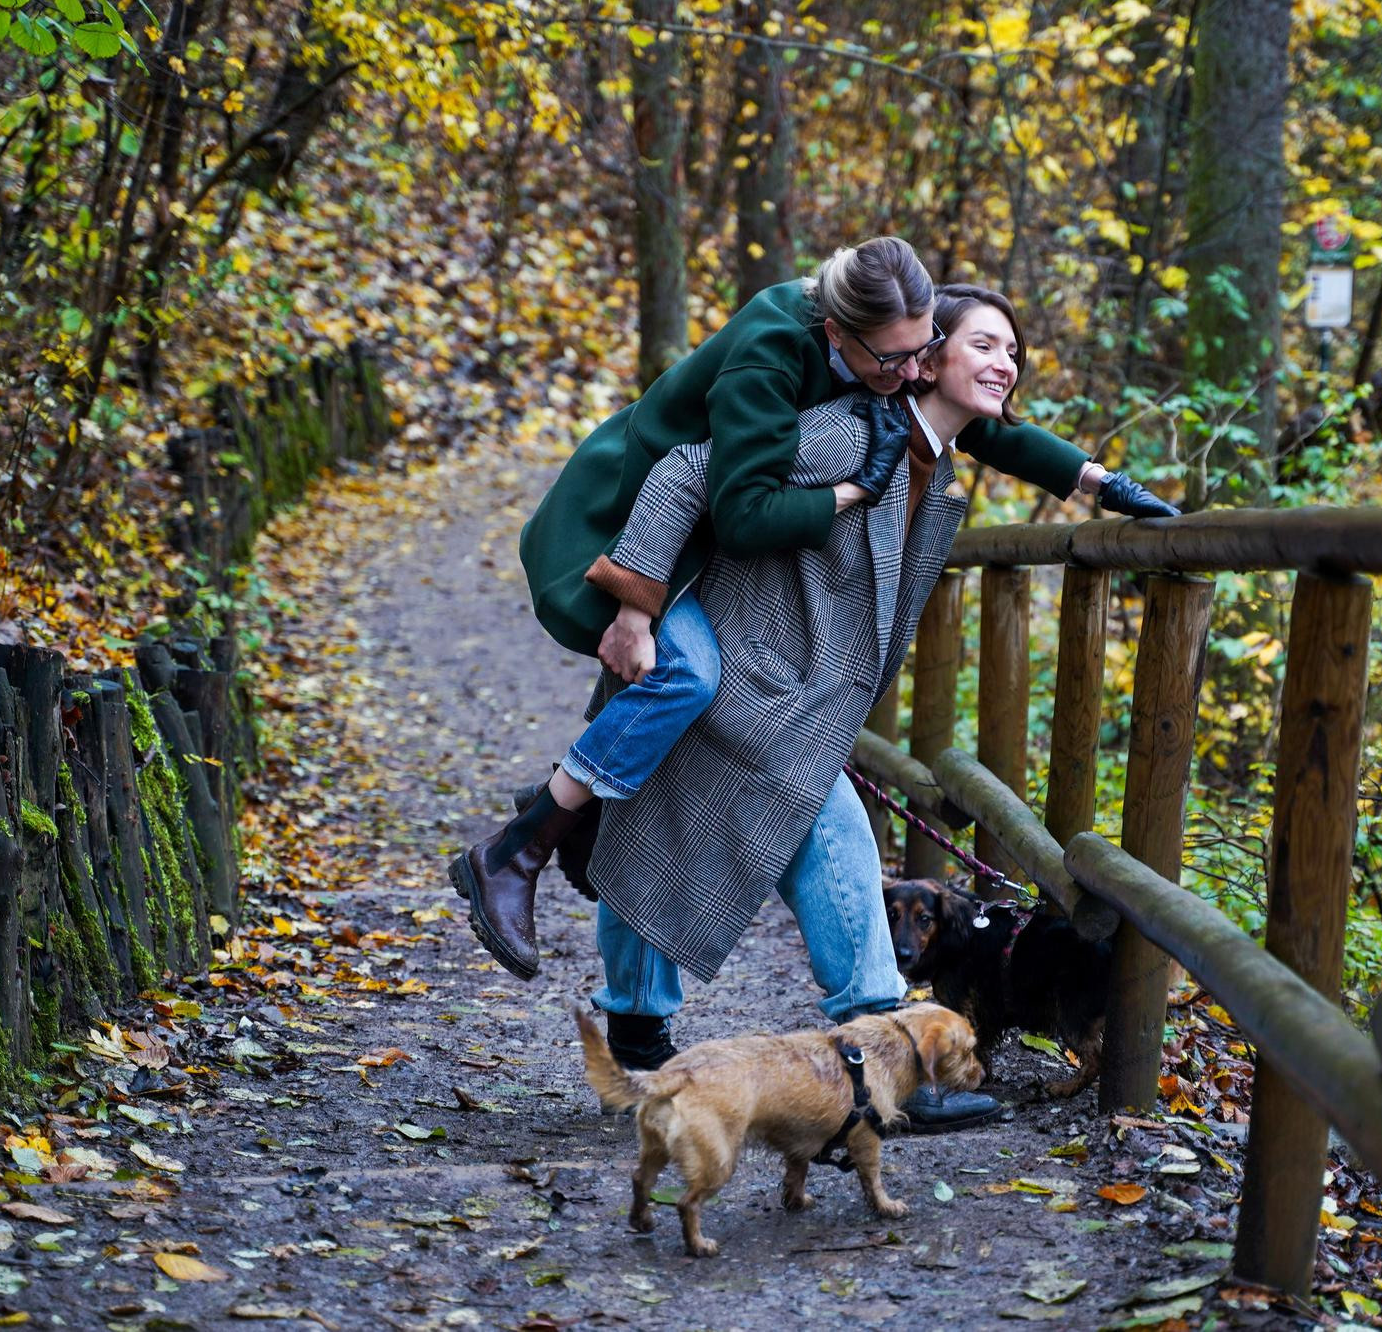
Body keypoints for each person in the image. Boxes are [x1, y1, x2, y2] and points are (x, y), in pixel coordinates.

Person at [453, 240, 1178, 985]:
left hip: (716, 562)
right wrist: (640, 609)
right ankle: (525, 843)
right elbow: (700, 486)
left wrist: (1102, 481)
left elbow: (982, 422)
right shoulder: (803, 382)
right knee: (690, 679)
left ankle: (600, 861)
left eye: (923, 351)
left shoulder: (897, 378)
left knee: (744, 784)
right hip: (624, 524)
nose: (909, 370)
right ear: (842, 334)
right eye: (909, 356)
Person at [579, 287, 1063, 1135]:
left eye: (1013, 352)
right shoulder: (850, 433)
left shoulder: (934, 472)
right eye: (984, 344)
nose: (1005, 363)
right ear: (927, 354)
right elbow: (690, 470)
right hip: (732, 665)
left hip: (788, 693)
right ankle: (888, 1047)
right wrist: (634, 607)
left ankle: (645, 1027)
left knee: (697, 824)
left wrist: (1095, 477)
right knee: (801, 828)